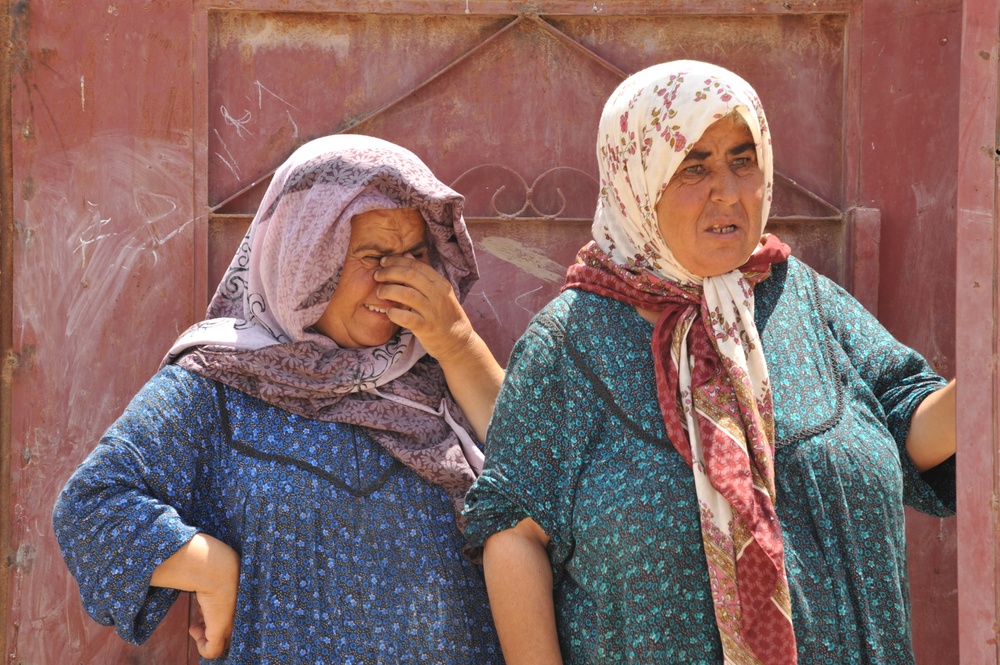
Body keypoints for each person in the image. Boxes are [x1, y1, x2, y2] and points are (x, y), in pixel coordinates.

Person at [463, 60, 957, 665]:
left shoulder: (802, 297)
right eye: (693, 166)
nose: (728, 189)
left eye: (742, 160)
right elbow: (513, 530)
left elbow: (913, 425)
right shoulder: (570, 342)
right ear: (637, 179)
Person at [53, 135, 505, 663]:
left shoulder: (441, 373)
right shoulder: (221, 382)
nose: (401, 279)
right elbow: (92, 507)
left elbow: (535, 477)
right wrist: (210, 569)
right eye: (374, 256)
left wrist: (457, 342)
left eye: (416, 255)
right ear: (305, 260)